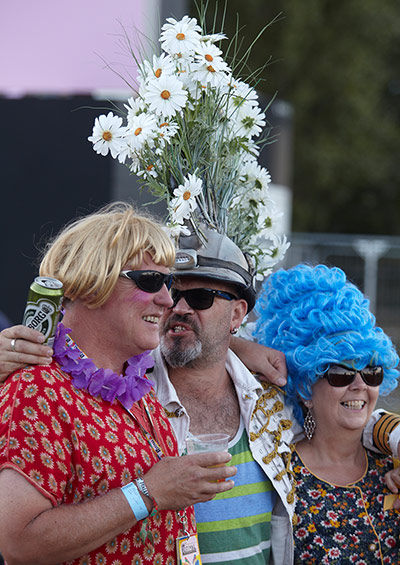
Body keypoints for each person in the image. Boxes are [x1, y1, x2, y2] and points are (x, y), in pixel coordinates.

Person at [0, 202, 238, 565]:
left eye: (168, 282)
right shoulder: (39, 389)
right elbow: (19, 543)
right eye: (150, 281)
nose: (167, 299)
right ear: (91, 281)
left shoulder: (137, 387)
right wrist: (149, 492)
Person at [252, 263, 400, 564]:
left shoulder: (391, 464)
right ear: (305, 388)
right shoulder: (279, 475)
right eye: (340, 373)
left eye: (371, 371)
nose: (360, 385)